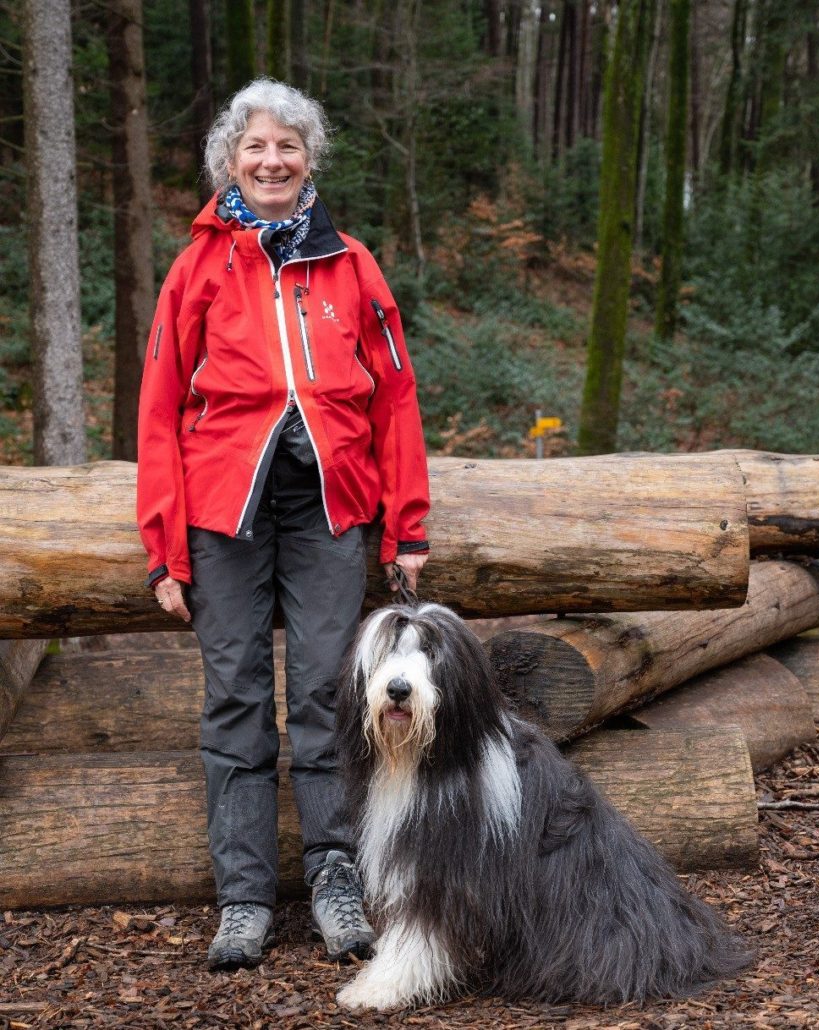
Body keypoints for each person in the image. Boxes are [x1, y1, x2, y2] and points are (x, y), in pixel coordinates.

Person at [136, 77, 430, 971]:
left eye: (288, 148)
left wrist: (406, 528)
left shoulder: (350, 262)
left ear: (310, 161)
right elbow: (157, 407)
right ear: (231, 161)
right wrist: (163, 547)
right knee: (234, 699)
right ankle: (244, 899)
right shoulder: (197, 267)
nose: (272, 161)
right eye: (256, 148)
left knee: (325, 695)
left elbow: (396, 396)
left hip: (330, 505)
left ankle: (337, 878)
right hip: (222, 508)